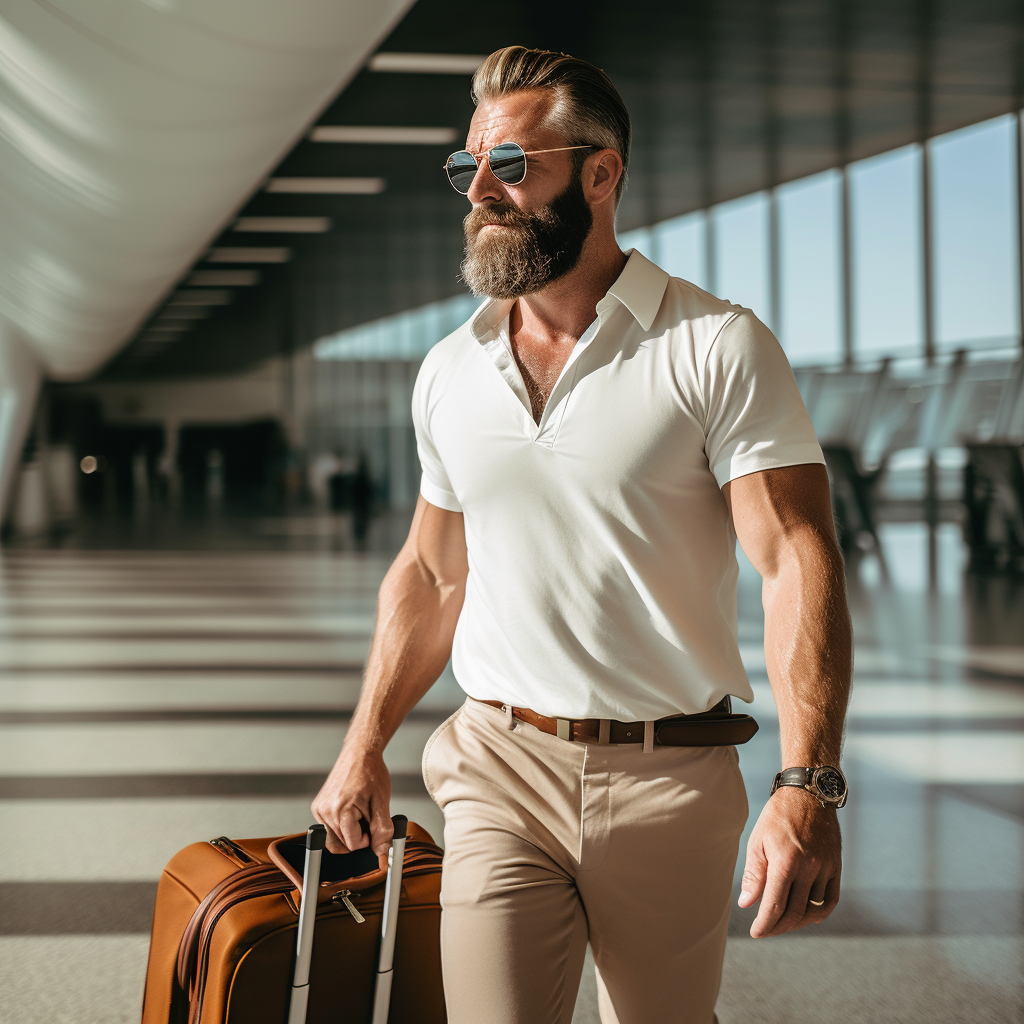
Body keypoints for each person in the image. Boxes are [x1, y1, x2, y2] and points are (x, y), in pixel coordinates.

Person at [312, 45, 852, 1024]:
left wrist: (808, 781)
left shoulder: (713, 345)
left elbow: (792, 561)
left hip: (670, 777)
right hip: (498, 765)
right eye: (465, 167)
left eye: (511, 164)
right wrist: (363, 745)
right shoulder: (450, 367)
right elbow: (432, 576)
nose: (478, 189)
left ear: (600, 174)